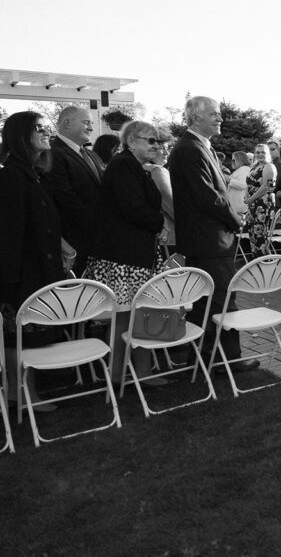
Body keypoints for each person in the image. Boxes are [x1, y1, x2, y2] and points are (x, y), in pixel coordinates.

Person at [167, 96, 257, 372]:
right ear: (195, 118)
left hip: (211, 238)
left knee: (212, 301)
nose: (220, 119)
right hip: (207, 240)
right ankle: (224, 360)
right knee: (220, 301)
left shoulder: (197, 147)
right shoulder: (189, 149)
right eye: (214, 114)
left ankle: (207, 358)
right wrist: (236, 220)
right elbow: (207, 197)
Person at [83, 120, 169, 384]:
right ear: (131, 141)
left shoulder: (133, 166)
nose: (156, 145)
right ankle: (122, 374)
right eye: (150, 140)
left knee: (136, 314)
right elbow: (132, 207)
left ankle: (133, 372)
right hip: (123, 258)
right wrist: (159, 223)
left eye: (157, 140)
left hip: (133, 254)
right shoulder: (123, 166)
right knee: (125, 316)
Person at [0, 112, 73, 410]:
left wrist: (61, 245)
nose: (47, 133)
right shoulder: (10, 175)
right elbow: (9, 231)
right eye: (39, 128)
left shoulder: (32, 172)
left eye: (47, 127)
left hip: (38, 269)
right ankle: (21, 394)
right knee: (19, 337)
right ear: (20, 135)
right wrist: (10, 281)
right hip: (21, 274)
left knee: (30, 336)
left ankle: (24, 393)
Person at [43, 105, 105, 276]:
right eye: (86, 122)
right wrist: (101, 222)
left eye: (92, 123)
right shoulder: (53, 154)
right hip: (74, 242)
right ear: (67, 123)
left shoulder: (92, 155)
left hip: (98, 242)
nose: (91, 128)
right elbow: (66, 199)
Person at [243, 143, 277, 256]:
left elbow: (267, 187)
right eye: (257, 152)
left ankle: (266, 263)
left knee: (261, 235)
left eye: (263, 152)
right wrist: (246, 196)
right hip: (252, 204)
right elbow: (248, 184)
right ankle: (256, 261)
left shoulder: (269, 167)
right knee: (252, 234)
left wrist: (251, 198)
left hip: (263, 204)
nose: (260, 154)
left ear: (267, 153)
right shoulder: (254, 166)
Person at [148, 127, 176, 255]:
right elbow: (171, 206)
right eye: (162, 148)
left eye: (168, 148)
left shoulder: (139, 168)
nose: (166, 153)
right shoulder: (157, 171)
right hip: (168, 237)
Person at [226, 151, 251, 216]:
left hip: (239, 207)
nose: (232, 162)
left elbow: (243, 184)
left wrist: (229, 180)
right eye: (232, 160)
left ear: (240, 160)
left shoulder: (244, 170)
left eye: (234, 160)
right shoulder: (241, 169)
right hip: (237, 206)